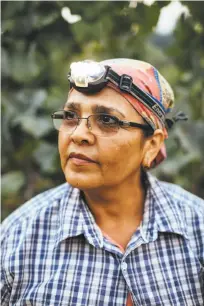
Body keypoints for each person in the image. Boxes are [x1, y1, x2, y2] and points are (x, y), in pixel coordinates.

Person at [1, 58, 203, 306]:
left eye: (108, 120)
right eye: (70, 116)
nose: (78, 135)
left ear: (151, 145)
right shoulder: (16, 240)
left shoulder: (197, 229)